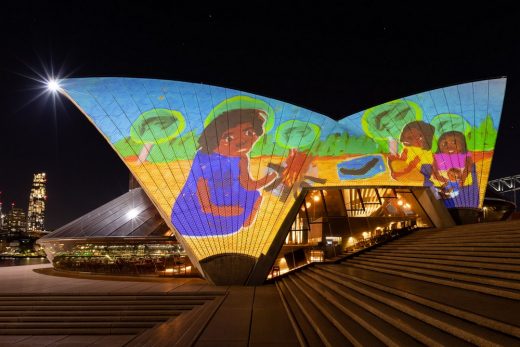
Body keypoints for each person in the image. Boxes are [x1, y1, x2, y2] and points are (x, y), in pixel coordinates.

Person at [171, 108, 277, 237]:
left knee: (254, 194)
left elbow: (247, 184)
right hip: (195, 219)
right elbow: (204, 203)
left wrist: (269, 178)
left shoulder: (241, 158)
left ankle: (244, 221)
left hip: (229, 213)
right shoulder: (204, 160)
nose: (242, 141)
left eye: (249, 133)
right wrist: (228, 210)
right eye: (229, 137)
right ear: (213, 140)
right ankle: (240, 219)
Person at [433, 130, 477, 207]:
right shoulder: (438, 156)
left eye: (454, 142)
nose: (449, 146)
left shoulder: (466, 154)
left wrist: (463, 177)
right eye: (445, 143)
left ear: (463, 144)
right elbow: (434, 167)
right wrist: (437, 175)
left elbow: (469, 165)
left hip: (460, 176)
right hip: (442, 177)